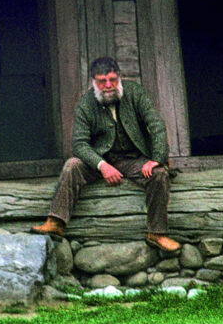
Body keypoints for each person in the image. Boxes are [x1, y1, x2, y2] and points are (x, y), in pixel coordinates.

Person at [31, 57, 180, 253]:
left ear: (119, 77)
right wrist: (102, 165)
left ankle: (157, 233)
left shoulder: (135, 92)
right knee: (72, 165)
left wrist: (156, 159)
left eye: (112, 79)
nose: (108, 85)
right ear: (94, 82)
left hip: (134, 160)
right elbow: (79, 144)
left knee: (159, 174)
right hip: (101, 162)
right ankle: (56, 222)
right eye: (102, 81)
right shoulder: (85, 104)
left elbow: (156, 125)